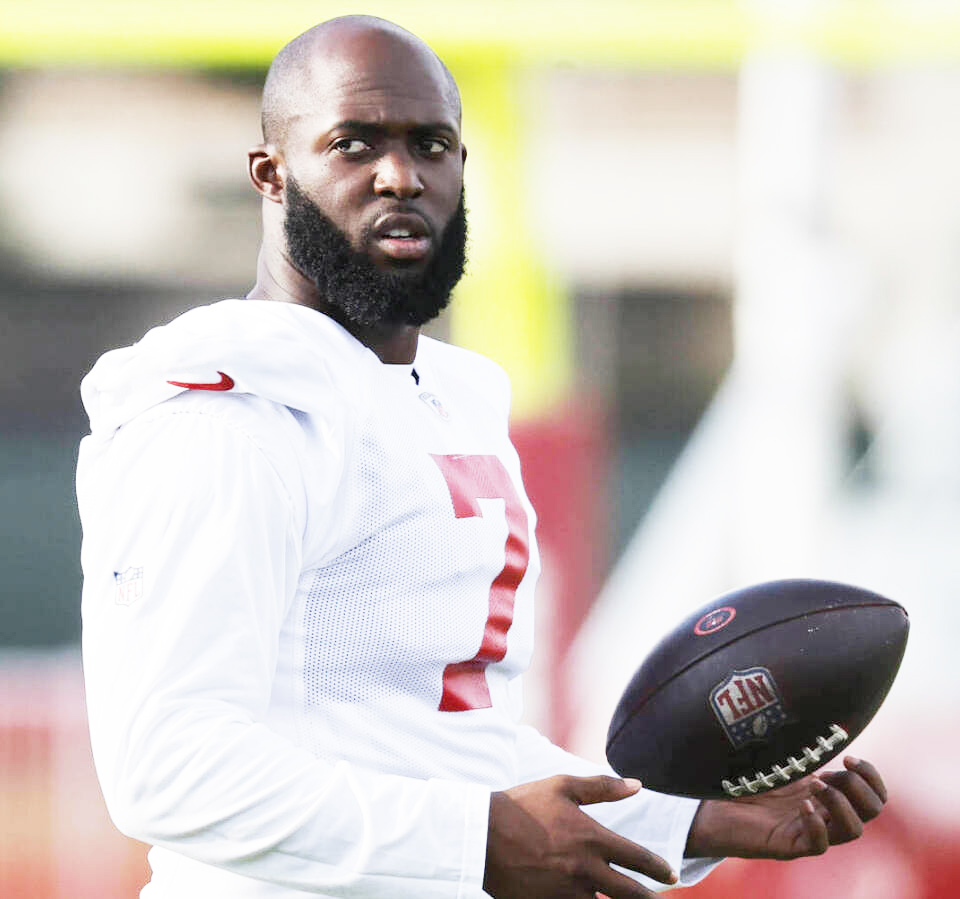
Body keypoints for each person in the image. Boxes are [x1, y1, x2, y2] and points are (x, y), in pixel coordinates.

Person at [77, 15, 887, 899]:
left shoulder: (446, 403)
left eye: (432, 145)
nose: (400, 175)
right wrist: (472, 839)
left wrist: (697, 819)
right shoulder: (230, 414)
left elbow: (455, 748)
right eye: (353, 143)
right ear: (272, 175)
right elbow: (168, 766)